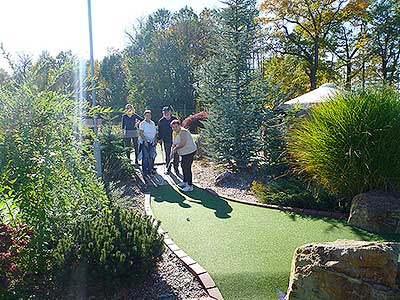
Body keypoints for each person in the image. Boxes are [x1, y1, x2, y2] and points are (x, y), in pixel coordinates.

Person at [171, 119, 197, 192]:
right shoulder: (174, 132)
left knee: (187, 167)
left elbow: (183, 143)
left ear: (179, 126)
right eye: (173, 127)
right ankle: (185, 182)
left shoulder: (183, 131)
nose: (174, 128)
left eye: (176, 126)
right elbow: (174, 143)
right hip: (183, 153)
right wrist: (172, 150)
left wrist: (175, 149)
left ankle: (190, 185)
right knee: (183, 166)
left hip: (190, 151)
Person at [158, 106, 179, 174]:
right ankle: (168, 168)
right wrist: (160, 139)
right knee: (168, 155)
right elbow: (160, 131)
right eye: (164, 112)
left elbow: (178, 129)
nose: (165, 113)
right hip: (166, 140)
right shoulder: (161, 121)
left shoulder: (174, 119)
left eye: (167, 112)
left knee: (175, 154)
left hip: (175, 139)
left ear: (169, 112)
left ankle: (176, 168)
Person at [139, 110, 157, 175]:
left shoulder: (153, 123)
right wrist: (145, 141)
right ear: (144, 116)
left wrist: (155, 139)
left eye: (149, 115)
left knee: (152, 156)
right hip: (145, 142)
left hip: (152, 142)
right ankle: (145, 171)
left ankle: (150, 169)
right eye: (147, 115)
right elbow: (141, 133)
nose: (148, 117)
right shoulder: (142, 124)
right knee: (145, 156)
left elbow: (155, 133)